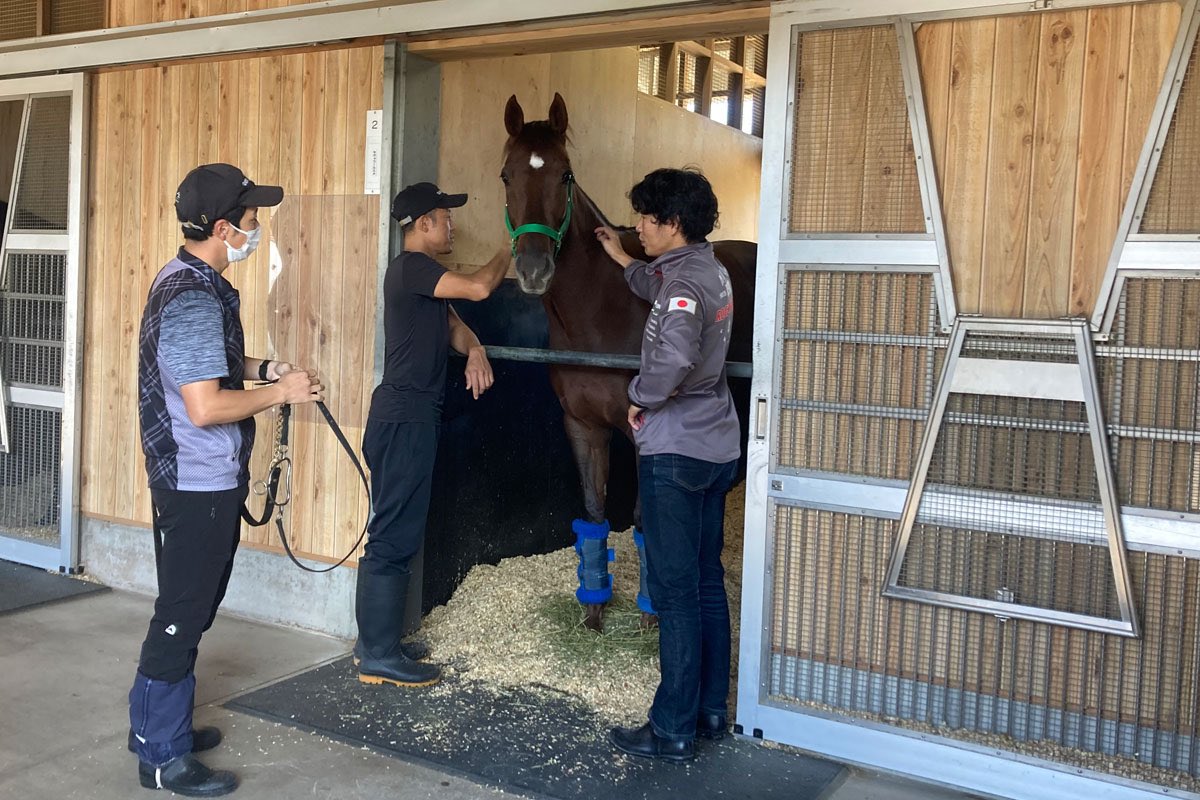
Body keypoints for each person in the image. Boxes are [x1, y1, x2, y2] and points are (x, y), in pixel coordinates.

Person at [130, 163, 323, 796]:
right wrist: (283, 395)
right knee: (182, 614)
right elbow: (205, 405)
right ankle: (163, 756)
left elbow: (208, 365)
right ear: (220, 227)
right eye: (249, 220)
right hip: (196, 481)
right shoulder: (190, 295)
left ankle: (158, 727)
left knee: (190, 607)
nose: (255, 229)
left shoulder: (193, 282)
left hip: (202, 477)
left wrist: (264, 368)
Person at [595, 168, 741, 763]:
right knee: (707, 583)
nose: (637, 228)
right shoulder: (707, 269)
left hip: (676, 451)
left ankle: (671, 727)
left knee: (675, 593)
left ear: (672, 224)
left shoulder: (682, 286)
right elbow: (662, 292)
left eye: (646, 220)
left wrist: (640, 396)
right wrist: (618, 259)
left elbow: (675, 351)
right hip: (717, 448)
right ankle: (710, 711)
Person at [354, 182, 510, 687]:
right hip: (404, 419)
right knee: (392, 535)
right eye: (445, 217)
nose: (452, 226)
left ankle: (377, 642)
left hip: (413, 416)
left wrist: (477, 349)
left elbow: (455, 324)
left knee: (398, 529)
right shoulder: (413, 267)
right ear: (422, 224)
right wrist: (515, 239)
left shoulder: (424, 279)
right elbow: (482, 287)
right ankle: (376, 654)